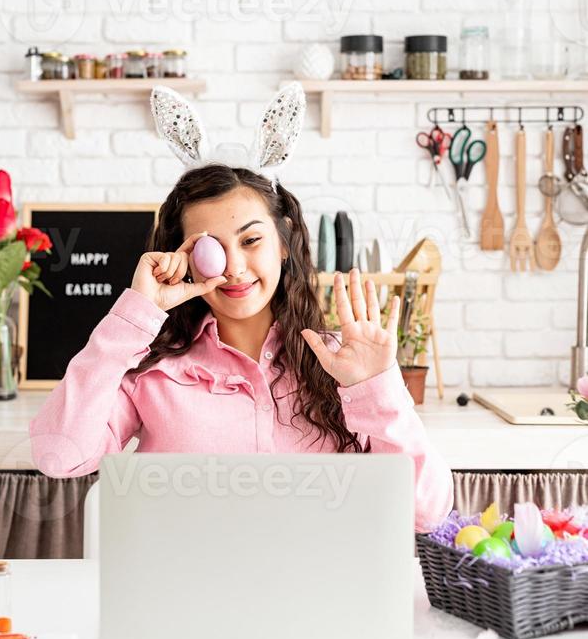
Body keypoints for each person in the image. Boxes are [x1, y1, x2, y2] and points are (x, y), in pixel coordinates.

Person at [29, 85, 454, 533]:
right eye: (211, 248)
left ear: (284, 243)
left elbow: (425, 512)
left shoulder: (344, 366)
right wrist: (135, 316)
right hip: (187, 595)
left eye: (251, 240)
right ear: (184, 256)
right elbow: (58, 455)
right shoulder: (155, 374)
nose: (233, 268)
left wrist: (375, 387)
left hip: (320, 596)